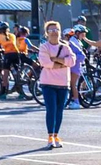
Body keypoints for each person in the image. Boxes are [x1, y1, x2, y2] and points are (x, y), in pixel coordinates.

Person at [37, 20, 78, 149]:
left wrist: (55, 59)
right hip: (48, 83)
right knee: (51, 109)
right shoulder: (44, 47)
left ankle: (56, 135)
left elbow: (72, 61)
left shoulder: (66, 46)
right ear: (46, 33)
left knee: (60, 110)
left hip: (63, 83)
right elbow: (45, 63)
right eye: (51, 30)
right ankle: (50, 136)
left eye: (56, 30)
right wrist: (62, 63)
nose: (54, 33)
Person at [65, 25, 88, 110]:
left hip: (75, 67)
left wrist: (72, 57)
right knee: (70, 85)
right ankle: (71, 100)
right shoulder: (71, 42)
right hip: (71, 67)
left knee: (73, 85)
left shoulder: (72, 42)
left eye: (66, 36)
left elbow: (82, 55)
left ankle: (76, 102)